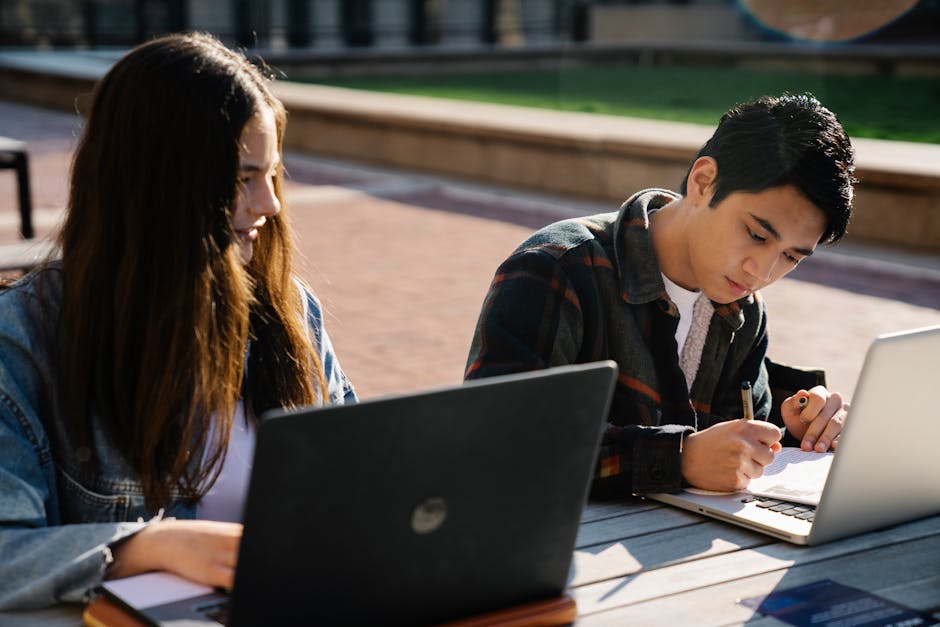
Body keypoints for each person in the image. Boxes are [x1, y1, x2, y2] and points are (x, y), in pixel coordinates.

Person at [0, 32, 355, 610]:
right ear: (158, 184)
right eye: (243, 178)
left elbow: (360, 479)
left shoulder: (291, 311)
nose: (269, 205)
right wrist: (151, 547)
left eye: (272, 174)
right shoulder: (22, 343)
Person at [465, 94, 855, 498]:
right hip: (555, 548)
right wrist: (678, 459)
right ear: (704, 182)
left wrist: (797, 431)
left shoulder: (744, 312)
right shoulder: (556, 268)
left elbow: (735, 452)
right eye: (756, 234)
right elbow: (498, 442)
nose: (762, 272)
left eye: (791, 256)